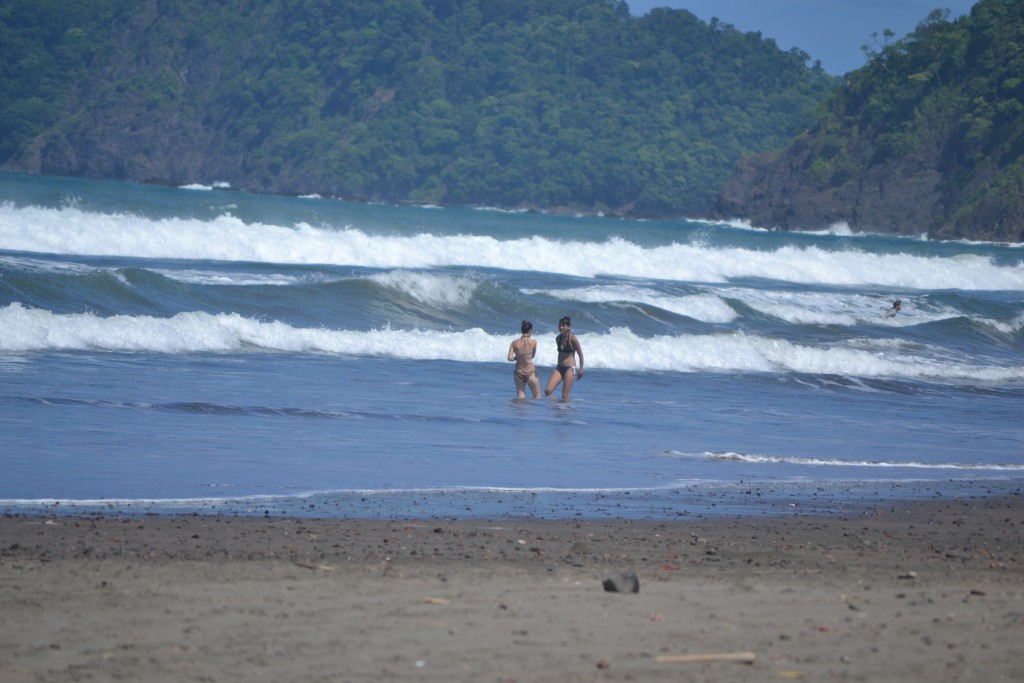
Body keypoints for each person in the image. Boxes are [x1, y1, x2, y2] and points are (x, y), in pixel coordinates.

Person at [545, 316, 584, 399]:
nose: (561, 327)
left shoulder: (573, 339)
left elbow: (580, 354)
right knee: (547, 391)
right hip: (559, 368)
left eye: (563, 325)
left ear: (568, 327)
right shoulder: (558, 338)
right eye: (559, 325)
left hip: (570, 368)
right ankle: (558, 407)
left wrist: (581, 369)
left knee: (565, 395)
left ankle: (566, 411)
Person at [508, 320, 541, 399]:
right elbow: (532, 356)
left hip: (518, 373)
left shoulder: (514, 343)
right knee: (537, 397)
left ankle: (520, 411)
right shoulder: (534, 342)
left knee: (521, 397)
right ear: (530, 330)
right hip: (530, 372)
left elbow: (509, 358)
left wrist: (517, 357)